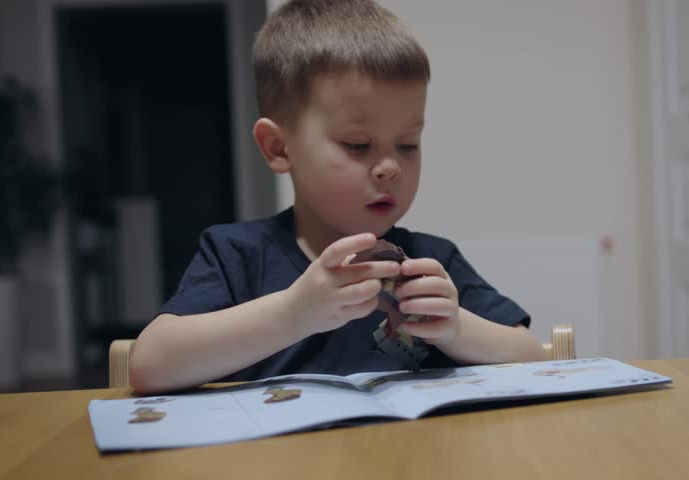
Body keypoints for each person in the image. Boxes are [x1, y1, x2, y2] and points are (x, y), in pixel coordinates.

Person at [129, 0, 547, 395]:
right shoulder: (236, 254)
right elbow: (149, 366)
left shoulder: (431, 261)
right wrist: (293, 314)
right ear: (278, 147)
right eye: (357, 144)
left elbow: (534, 359)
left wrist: (456, 328)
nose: (391, 167)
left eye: (407, 145)